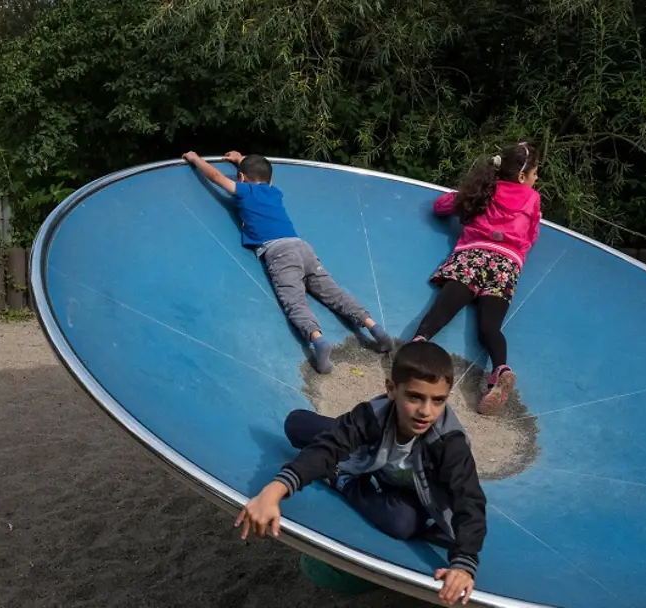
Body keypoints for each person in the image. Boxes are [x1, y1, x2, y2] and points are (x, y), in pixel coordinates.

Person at [235, 340, 487, 607]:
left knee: (402, 523)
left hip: (416, 494)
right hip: (370, 459)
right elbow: (332, 445)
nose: (426, 411)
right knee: (297, 424)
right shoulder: (375, 414)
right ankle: (342, 467)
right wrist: (273, 491)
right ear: (391, 389)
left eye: (438, 401)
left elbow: (469, 500)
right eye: (415, 397)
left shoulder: (449, 444)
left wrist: (463, 564)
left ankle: (342, 480)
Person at [181, 150, 395, 373]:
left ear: (242, 178)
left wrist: (196, 159)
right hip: (302, 247)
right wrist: (241, 160)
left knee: (295, 301)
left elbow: (216, 177)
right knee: (334, 294)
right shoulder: (274, 192)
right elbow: (262, 173)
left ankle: (318, 339)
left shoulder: (245, 191)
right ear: (269, 180)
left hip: (280, 253)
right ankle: (373, 326)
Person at [413, 142, 542, 415]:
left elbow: (441, 207)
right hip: (506, 265)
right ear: (522, 177)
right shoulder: (532, 198)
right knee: (490, 327)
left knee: (443, 309)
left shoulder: (484, 188)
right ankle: (499, 369)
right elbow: (531, 236)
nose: (536, 178)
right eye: (535, 173)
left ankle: (417, 345)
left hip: (473, 257)